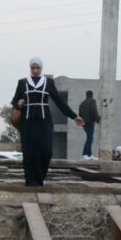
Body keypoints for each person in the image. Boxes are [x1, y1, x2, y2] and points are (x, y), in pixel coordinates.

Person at [11, 56, 84, 186]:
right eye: (33, 68)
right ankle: (31, 182)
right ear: (30, 68)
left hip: (44, 122)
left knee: (46, 150)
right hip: (27, 123)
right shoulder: (22, 83)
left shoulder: (48, 83)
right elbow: (14, 101)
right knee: (29, 152)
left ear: (41, 68)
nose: (35, 70)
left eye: (37, 67)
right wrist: (19, 103)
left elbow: (60, 102)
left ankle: (40, 178)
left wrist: (74, 116)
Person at [78, 90, 101, 159]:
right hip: (90, 122)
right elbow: (93, 110)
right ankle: (85, 154)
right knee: (90, 138)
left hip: (84, 123)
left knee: (89, 137)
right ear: (92, 95)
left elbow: (80, 114)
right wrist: (97, 119)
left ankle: (90, 154)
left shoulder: (82, 103)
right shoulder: (92, 101)